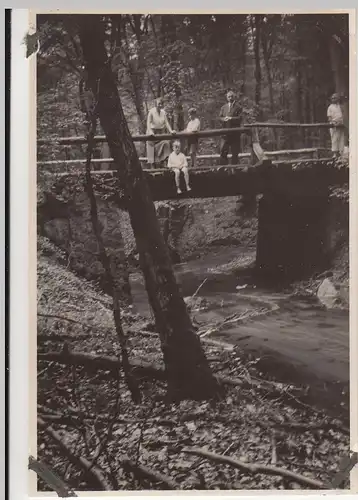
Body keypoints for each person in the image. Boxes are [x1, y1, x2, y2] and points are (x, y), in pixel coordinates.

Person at [146, 98, 175, 168]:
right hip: (152, 131)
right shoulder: (151, 111)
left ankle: (164, 162)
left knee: (166, 143)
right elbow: (148, 123)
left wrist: (171, 130)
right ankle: (152, 165)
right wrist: (150, 131)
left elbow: (166, 123)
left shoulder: (163, 112)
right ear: (156, 104)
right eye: (159, 104)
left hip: (160, 132)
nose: (160, 105)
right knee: (151, 146)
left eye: (161, 104)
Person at [219, 90, 242, 165]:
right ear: (226, 98)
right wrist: (224, 119)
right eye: (229, 97)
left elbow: (240, 118)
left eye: (231, 96)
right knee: (223, 151)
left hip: (234, 133)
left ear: (234, 97)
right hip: (225, 134)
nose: (230, 98)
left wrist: (231, 118)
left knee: (235, 152)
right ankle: (224, 169)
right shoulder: (223, 107)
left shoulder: (238, 107)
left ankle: (234, 169)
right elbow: (220, 117)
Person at [327, 93, 345, 158]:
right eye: (332, 98)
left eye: (335, 98)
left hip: (341, 124)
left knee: (341, 138)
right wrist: (333, 123)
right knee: (334, 139)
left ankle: (341, 153)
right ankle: (335, 154)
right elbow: (329, 118)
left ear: (338, 99)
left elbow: (343, 115)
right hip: (333, 124)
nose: (333, 99)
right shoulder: (330, 107)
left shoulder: (341, 106)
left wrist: (341, 122)